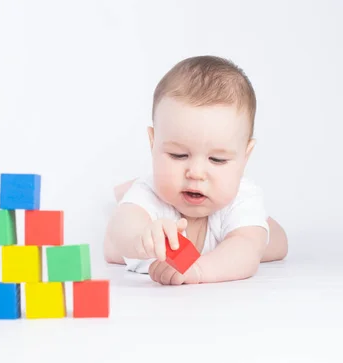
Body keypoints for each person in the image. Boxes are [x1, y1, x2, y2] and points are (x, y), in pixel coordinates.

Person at [103, 55, 288, 285]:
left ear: (245, 156)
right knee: (114, 249)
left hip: (243, 225)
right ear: (153, 143)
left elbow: (246, 252)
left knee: (272, 243)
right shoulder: (149, 193)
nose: (196, 173)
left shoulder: (241, 198)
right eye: (178, 155)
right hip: (139, 220)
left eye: (217, 159)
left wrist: (198, 270)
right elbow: (124, 228)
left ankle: (264, 224)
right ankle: (125, 194)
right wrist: (142, 237)